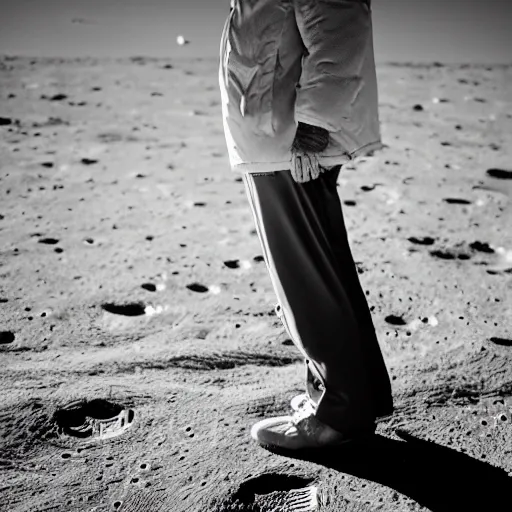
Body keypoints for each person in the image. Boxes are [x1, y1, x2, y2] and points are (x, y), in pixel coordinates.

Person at [218, 0, 394, 451]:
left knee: (305, 280)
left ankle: (340, 413)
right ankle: (355, 395)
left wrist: (313, 124)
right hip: (279, 133)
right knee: (324, 268)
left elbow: (338, 23)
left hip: (288, 139)